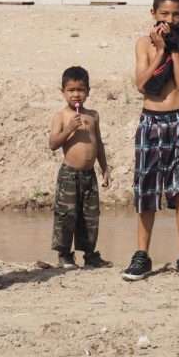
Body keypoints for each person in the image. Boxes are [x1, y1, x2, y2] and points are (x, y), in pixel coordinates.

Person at [122, 0, 179, 283]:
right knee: (146, 190)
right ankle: (142, 255)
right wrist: (159, 52)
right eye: (164, 13)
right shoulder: (143, 44)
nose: (169, 19)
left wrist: (174, 50)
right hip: (151, 121)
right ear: (153, 13)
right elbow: (142, 84)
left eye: (176, 14)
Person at [47, 66, 112, 269]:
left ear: (88, 91)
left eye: (81, 89)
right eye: (71, 90)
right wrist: (69, 129)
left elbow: (98, 143)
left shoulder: (93, 115)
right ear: (63, 92)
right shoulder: (62, 116)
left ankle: (90, 254)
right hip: (69, 176)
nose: (76, 94)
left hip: (89, 175)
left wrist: (104, 168)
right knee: (67, 215)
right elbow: (53, 144)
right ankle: (65, 255)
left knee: (90, 216)